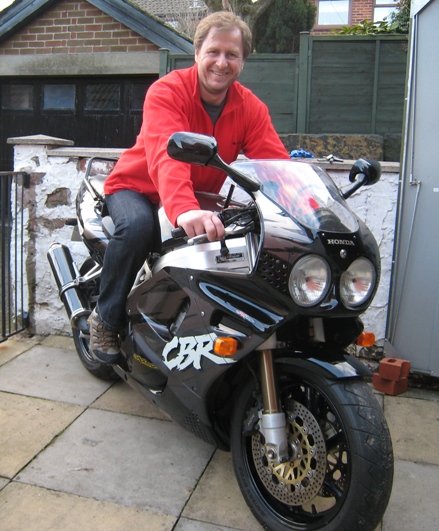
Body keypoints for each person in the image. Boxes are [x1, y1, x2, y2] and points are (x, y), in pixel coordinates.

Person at [88, 10, 290, 364]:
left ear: (243, 60)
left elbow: (275, 167)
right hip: (136, 188)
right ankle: (105, 318)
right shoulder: (167, 91)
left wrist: (306, 206)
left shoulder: (250, 108)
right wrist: (184, 208)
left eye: (232, 54)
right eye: (213, 51)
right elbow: (170, 155)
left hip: (193, 198)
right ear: (197, 53)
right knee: (138, 228)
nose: (221, 62)